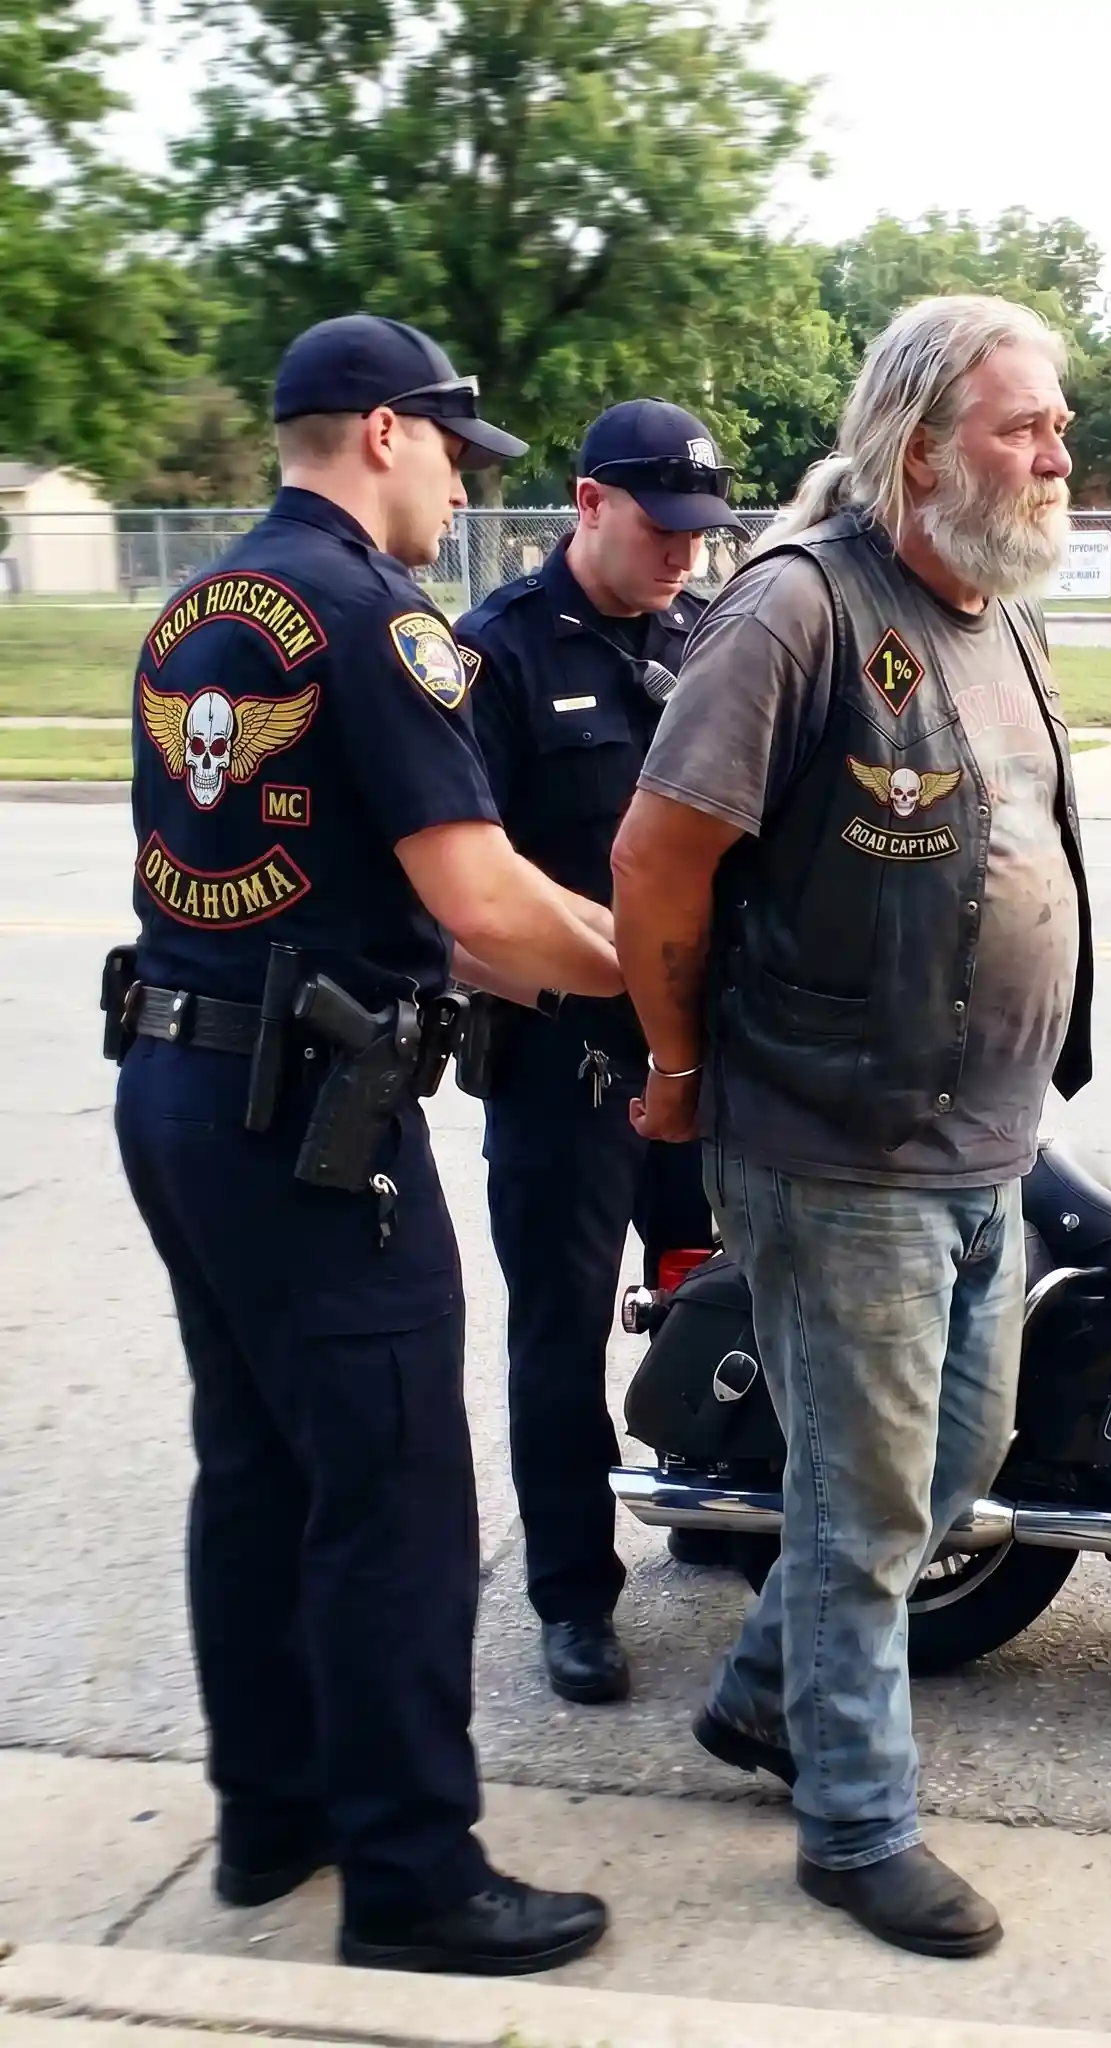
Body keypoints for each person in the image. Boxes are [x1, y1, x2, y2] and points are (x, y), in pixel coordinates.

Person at [109, 314, 620, 1974]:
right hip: (318, 1121)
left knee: (256, 1462)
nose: (456, 498)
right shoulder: (374, 618)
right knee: (394, 1487)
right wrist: (659, 968)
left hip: (181, 1089)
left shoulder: (195, 610)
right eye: (452, 460)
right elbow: (475, 899)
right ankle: (413, 1875)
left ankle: (272, 1817)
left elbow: (337, 879)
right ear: (387, 432)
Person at [610, 295, 1093, 1960]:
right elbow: (656, 861)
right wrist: (676, 1065)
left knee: (950, 1459)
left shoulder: (995, 618)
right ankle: (853, 1821)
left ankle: (763, 1696)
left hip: (978, 1143)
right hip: (832, 1146)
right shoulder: (796, 613)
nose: (1056, 454)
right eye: (1024, 425)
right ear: (916, 443)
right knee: (860, 1499)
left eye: (1056, 426)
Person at [457, 401, 738, 1708]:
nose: (683, 553)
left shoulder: (713, 640)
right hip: (564, 1073)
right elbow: (460, 893)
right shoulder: (498, 655)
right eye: (659, 525)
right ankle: (573, 1591)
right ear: (585, 503)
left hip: (702, 1064)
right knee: (559, 1340)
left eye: (700, 531)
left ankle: (703, 1500)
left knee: (706, 1296)